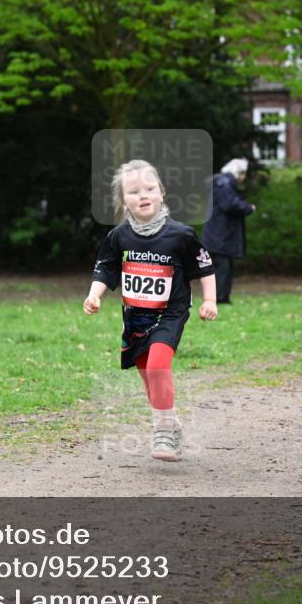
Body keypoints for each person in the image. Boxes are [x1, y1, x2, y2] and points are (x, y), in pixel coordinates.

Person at [84, 160, 217, 461]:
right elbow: (105, 269)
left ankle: (162, 434)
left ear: (161, 193)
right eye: (133, 191)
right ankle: (172, 425)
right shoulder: (119, 237)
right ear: (123, 200)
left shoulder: (180, 235)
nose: (143, 195)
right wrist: (94, 296)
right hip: (136, 318)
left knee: (158, 365)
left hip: (170, 314)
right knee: (149, 375)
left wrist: (210, 300)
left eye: (149, 188)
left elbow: (205, 267)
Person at [201, 158, 255, 304]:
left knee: (227, 266)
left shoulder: (223, 183)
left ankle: (223, 297)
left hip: (219, 234)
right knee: (223, 267)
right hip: (220, 235)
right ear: (239, 173)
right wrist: (248, 208)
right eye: (243, 174)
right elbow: (230, 205)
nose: (244, 178)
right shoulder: (224, 184)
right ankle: (218, 298)